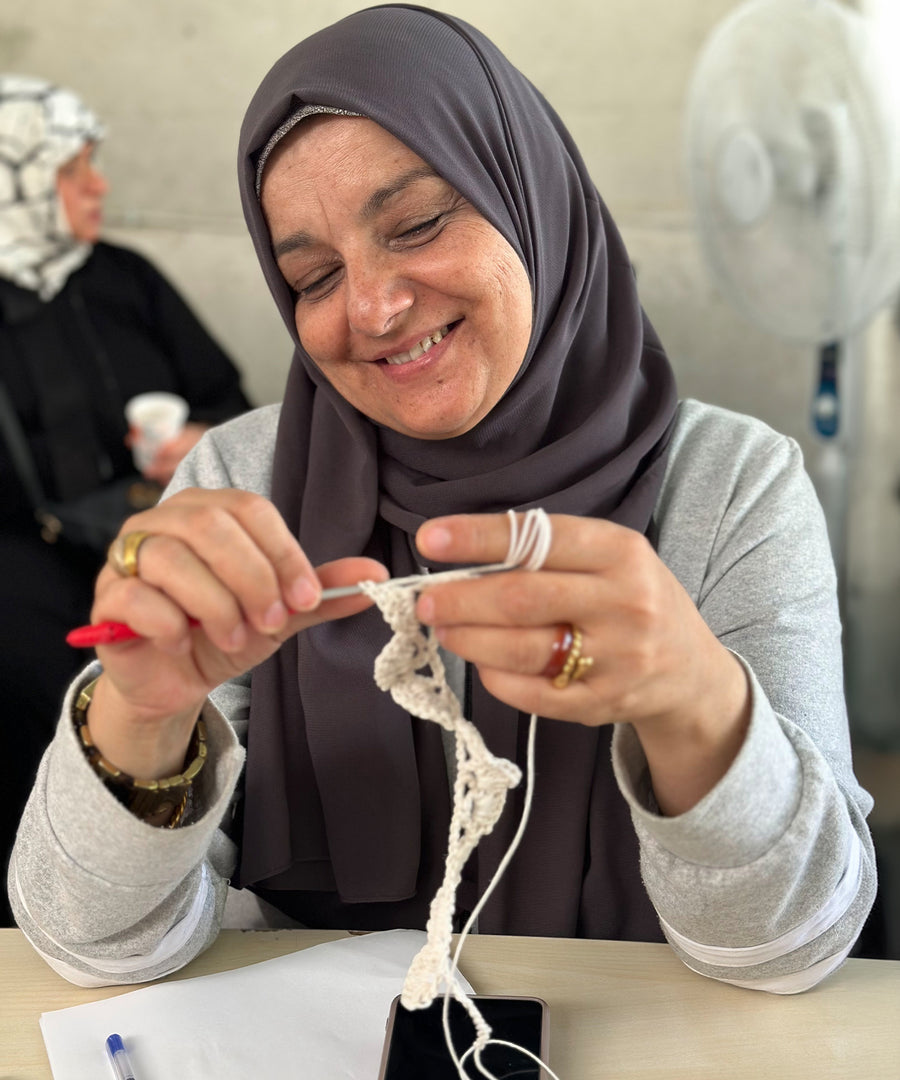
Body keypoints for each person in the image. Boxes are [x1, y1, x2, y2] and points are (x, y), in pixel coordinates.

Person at [8, 8, 875, 994]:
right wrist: (141, 715)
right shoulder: (243, 481)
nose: (372, 308)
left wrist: (694, 701)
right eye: (314, 275)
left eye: (417, 223)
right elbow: (97, 945)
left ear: (533, 199)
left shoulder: (728, 486)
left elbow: (794, 945)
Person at [0, 75, 250, 925]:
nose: (99, 187)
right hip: (21, 586)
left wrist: (195, 442)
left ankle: (160, 901)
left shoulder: (126, 280)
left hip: (151, 544)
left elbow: (228, 399)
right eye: (75, 173)